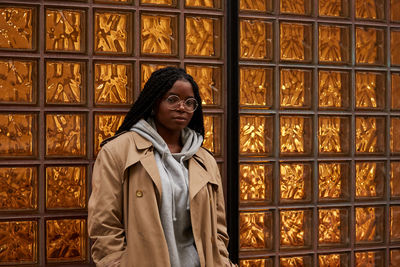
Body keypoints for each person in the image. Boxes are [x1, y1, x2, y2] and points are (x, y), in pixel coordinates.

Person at [88, 67, 236, 267]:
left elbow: (218, 229)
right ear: (154, 102)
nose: (182, 107)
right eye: (172, 99)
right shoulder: (118, 152)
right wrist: (116, 263)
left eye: (189, 102)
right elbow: (104, 223)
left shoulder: (204, 159)